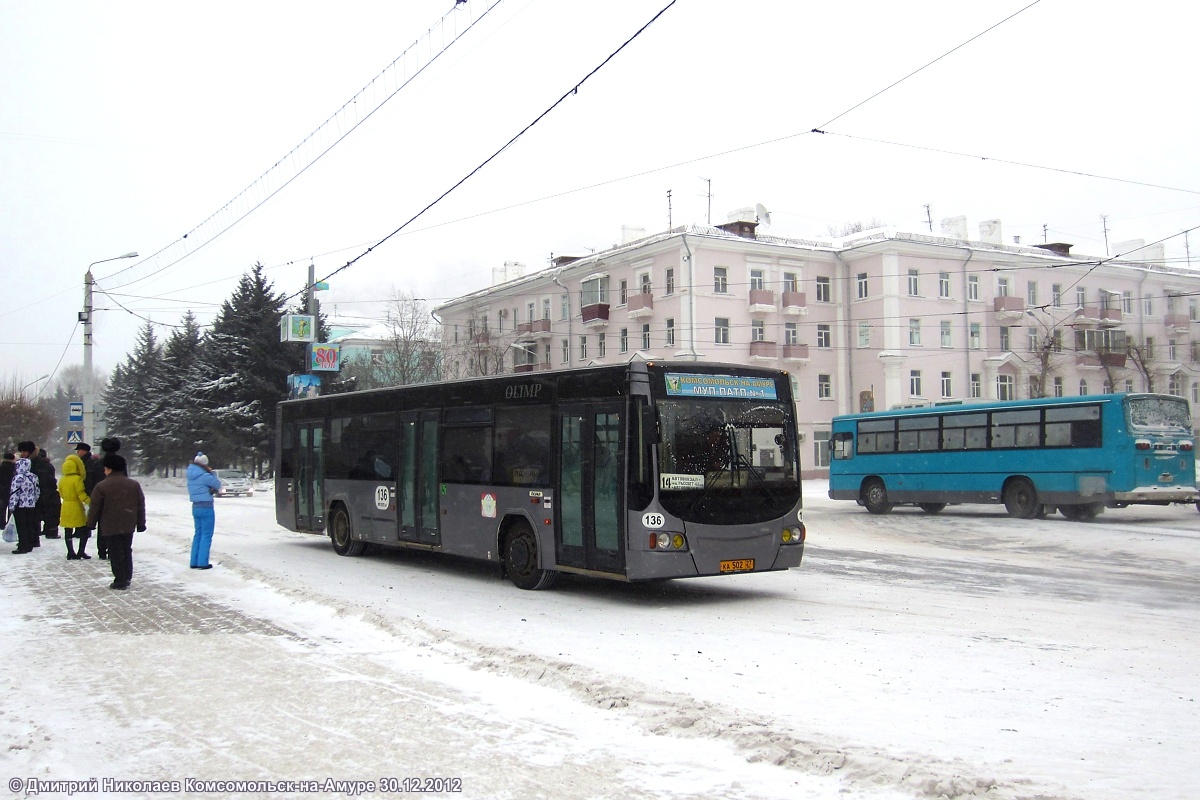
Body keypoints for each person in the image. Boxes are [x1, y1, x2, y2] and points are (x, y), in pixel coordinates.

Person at [85, 453, 145, 590]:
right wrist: (141, 523)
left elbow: (95, 507)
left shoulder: (101, 486)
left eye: (105, 469)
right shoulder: (134, 485)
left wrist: (91, 523)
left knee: (115, 552)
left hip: (110, 524)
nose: (104, 471)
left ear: (110, 469)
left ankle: (120, 579)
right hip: (128, 523)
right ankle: (127, 576)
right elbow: (140, 505)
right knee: (126, 549)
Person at [186, 452, 222, 570]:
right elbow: (217, 485)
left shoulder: (190, 474)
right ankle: (202, 562)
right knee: (206, 535)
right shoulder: (205, 475)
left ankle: (194, 561)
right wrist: (211, 472)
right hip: (206, 507)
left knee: (198, 534)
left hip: (195, 507)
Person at [89, 438, 121, 560]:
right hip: (117, 496)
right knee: (116, 522)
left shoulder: (97, 463)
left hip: (101, 495)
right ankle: (114, 548)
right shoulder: (120, 462)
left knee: (102, 523)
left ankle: (102, 549)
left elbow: (91, 481)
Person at [58, 450, 92, 560]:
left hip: (66, 506)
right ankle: (81, 551)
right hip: (76, 506)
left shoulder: (62, 480)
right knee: (83, 529)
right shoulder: (77, 479)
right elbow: (81, 494)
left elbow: (61, 493)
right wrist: (89, 501)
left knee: (68, 530)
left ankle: (70, 552)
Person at [7, 455, 41, 554]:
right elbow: (37, 491)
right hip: (30, 505)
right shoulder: (34, 477)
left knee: (21, 526)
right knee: (29, 524)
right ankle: (30, 545)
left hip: (19, 505)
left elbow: (14, 493)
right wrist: (33, 500)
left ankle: (22, 546)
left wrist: (11, 506)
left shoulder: (17, 478)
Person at [15, 442, 43, 548]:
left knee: (32, 519)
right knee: (31, 520)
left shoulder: (37, 462)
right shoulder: (24, 462)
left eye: (25, 451)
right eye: (22, 451)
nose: (23, 453)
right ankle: (32, 540)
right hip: (32, 497)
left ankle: (32, 540)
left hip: (33, 496)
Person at [32, 447, 62, 540]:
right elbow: (51, 480)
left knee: (37, 513)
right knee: (51, 512)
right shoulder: (49, 466)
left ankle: (38, 531)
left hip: (38, 491)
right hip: (49, 492)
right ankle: (51, 531)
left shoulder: (34, 465)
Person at [0, 452, 14, 530]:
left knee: (2, 508)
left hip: (1, 490)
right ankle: (10, 523)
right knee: (11, 508)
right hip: (11, 490)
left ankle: (1, 523)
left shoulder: (1, 467)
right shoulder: (15, 468)